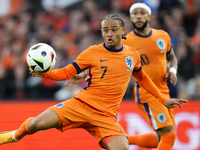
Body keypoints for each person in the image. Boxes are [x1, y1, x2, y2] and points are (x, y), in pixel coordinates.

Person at [0, 14, 187, 150]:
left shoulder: (132, 54)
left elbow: (143, 78)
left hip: (106, 117)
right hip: (80, 105)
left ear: (123, 31)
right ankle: (13, 136)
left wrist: (163, 99)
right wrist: (45, 75)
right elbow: (67, 72)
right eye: (105, 30)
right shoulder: (92, 52)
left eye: (113, 30)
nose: (109, 34)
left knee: (123, 149)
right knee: (35, 125)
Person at [122, 1, 179, 150]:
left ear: (149, 16)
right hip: (147, 93)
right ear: (131, 17)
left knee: (162, 138)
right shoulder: (126, 42)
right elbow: (109, 62)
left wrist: (172, 70)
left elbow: (172, 57)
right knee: (169, 135)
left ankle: (119, 140)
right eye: (135, 14)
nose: (139, 16)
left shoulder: (162, 36)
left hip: (164, 91)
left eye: (142, 13)